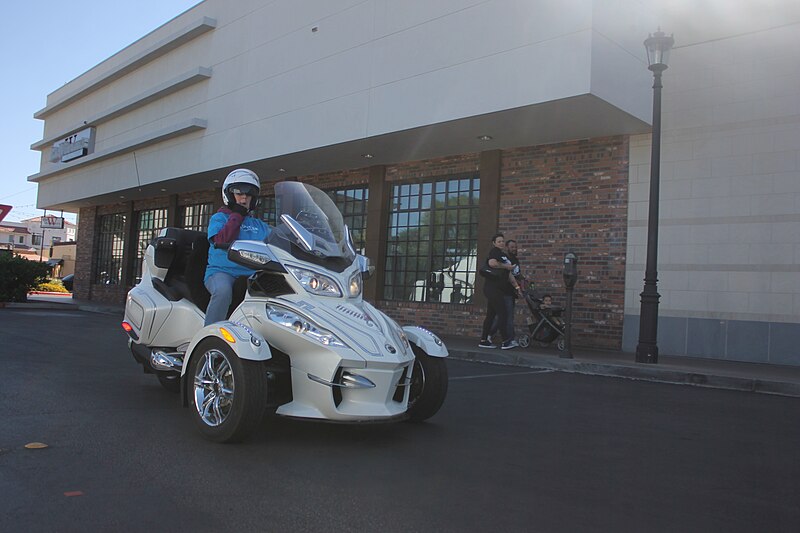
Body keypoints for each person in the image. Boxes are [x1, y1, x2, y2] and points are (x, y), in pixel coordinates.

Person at [204, 168, 272, 326]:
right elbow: (221, 239)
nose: (244, 198)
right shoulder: (219, 218)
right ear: (229, 195)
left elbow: (276, 241)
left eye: (248, 194)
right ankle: (209, 334)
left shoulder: (259, 225)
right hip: (222, 272)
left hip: (253, 273)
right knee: (223, 292)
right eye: (239, 193)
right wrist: (237, 215)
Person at [478, 233, 522, 349]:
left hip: (499, 289)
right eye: (499, 241)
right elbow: (492, 263)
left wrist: (517, 287)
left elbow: (509, 275)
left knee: (491, 315)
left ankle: (484, 340)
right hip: (492, 288)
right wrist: (506, 267)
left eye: (502, 241)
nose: (501, 243)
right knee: (503, 314)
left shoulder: (503, 255)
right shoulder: (495, 252)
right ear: (494, 243)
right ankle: (506, 341)